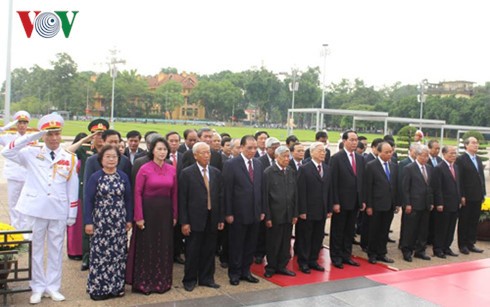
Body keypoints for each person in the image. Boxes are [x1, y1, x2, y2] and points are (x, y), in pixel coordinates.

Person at [2, 114, 79, 304]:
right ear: (43, 136)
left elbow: (72, 187)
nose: (53, 138)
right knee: (36, 250)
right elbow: (7, 152)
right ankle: (36, 287)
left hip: (58, 210)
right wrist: (31, 137)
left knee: (55, 249)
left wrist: (72, 214)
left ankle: (53, 287)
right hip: (35, 209)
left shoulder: (69, 158)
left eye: (57, 134)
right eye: (49, 134)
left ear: (61, 135)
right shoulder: (31, 152)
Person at [84, 145, 133, 300]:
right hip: (101, 221)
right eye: (108, 157)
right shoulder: (96, 177)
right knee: (100, 255)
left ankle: (116, 287)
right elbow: (88, 200)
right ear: (101, 159)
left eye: (114, 157)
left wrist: (128, 219)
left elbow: (128, 199)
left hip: (118, 222)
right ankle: (98, 288)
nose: (111, 160)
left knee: (118, 255)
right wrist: (88, 222)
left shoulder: (123, 176)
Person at [131, 137, 178, 294]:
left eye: (165, 149)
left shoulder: (172, 169)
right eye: (159, 149)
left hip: (165, 212)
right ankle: (145, 282)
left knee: (163, 245)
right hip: (148, 211)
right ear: (152, 150)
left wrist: (174, 214)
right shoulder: (144, 168)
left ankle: (162, 281)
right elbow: (137, 193)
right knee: (147, 246)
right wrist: (139, 216)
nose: (162, 152)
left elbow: (174, 194)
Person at [82, 129, 131, 271]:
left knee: (118, 252)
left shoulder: (125, 162)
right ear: (103, 142)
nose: (114, 145)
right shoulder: (92, 161)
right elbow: (88, 195)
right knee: (100, 251)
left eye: (117, 142)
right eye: (111, 142)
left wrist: (129, 218)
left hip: (118, 218)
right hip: (100, 217)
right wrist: (88, 221)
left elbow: (128, 194)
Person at [179, 142, 224, 291]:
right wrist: (184, 222)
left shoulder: (216, 172)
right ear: (195, 155)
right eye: (203, 153)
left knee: (209, 250)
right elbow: (182, 199)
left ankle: (206, 278)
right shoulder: (187, 173)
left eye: (209, 153)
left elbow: (220, 196)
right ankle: (190, 279)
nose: (207, 156)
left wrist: (220, 219)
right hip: (194, 219)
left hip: (212, 217)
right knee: (192, 250)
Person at [66, 119, 109, 262]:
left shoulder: (110, 152)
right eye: (96, 134)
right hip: (87, 191)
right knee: (87, 223)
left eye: (102, 134)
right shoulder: (85, 150)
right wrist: (86, 139)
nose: (99, 137)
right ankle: (86, 255)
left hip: (105, 194)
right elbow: (67, 151)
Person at [223, 135, 264, 286]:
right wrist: (228, 213)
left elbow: (261, 189)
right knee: (236, 244)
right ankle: (234, 273)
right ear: (241, 148)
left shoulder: (258, 164)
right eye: (249, 148)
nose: (253, 151)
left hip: (255, 212)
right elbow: (227, 191)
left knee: (250, 245)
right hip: (237, 214)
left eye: (255, 148)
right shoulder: (231, 164)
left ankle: (246, 271)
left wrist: (262, 210)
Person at [329, 130, 365, 269]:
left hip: (355, 201)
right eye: (351, 140)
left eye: (356, 140)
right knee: (338, 230)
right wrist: (335, 202)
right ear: (344, 141)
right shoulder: (336, 158)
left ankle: (346, 255)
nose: (354, 142)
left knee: (350, 230)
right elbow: (334, 182)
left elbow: (362, 181)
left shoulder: (360, 159)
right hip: (342, 201)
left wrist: (362, 200)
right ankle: (336, 257)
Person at [296, 142, 332, 273]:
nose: (323, 153)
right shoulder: (304, 169)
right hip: (308, 210)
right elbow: (301, 191)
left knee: (318, 236)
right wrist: (302, 210)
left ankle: (313, 260)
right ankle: (303, 262)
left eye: (324, 151)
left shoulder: (327, 168)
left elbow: (329, 190)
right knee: (306, 237)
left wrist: (329, 208)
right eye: (320, 151)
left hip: (321, 210)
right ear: (312, 153)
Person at [263, 146, 297, 278]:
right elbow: (265, 196)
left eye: (288, 156)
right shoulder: (269, 172)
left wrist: (295, 213)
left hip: (288, 214)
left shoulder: (290, 171)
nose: (287, 159)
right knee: (274, 242)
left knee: (285, 242)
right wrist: (268, 217)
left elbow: (295, 194)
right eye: (284, 156)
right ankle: (271, 267)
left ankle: (282, 266)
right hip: (275, 215)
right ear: (277, 157)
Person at [365, 142, 399, 264]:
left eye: (391, 152)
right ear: (379, 152)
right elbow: (368, 187)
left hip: (389, 204)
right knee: (374, 230)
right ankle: (372, 253)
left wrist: (396, 203)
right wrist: (369, 205)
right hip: (376, 204)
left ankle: (382, 253)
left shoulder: (394, 166)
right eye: (386, 152)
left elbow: (395, 185)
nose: (389, 154)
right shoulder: (371, 166)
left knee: (384, 230)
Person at [400, 145, 433, 262]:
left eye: (427, 156)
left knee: (423, 229)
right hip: (413, 204)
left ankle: (420, 251)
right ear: (417, 155)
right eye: (423, 156)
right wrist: (407, 203)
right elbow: (405, 188)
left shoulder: (429, 168)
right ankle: (407, 251)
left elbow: (430, 187)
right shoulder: (409, 168)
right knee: (410, 229)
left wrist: (431, 202)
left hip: (425, 204)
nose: (425, 158)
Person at [0, 110, 31, 230]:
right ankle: (15, 227)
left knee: (25, 203)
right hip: (13, 175)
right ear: (16, 124)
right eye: (19, 123)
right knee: (13, 203)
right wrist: (4, 128)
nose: (22, 125)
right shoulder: (9, 137)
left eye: (24, 122)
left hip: (27, 175)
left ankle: (24, 228)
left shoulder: (32, 139)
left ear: (27, 124)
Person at [456, 137, 486, 254]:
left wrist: (483, 192)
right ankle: (462, 244)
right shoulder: (461, 160)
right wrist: (462, 195)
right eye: (473, 143)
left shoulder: (478, 159)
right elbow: (460, 179)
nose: (476, 145)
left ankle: (471, 243)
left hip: (477, 195)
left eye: (477, 143)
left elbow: (481, 177)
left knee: (474, 220)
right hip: (467, 196)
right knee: (464, 220)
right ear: (466, 145)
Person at [430, 145, 461, 258]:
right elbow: (437, 188)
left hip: (454, 203)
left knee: (451, 227)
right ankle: (438, 249)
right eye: (451, 153)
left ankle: (446, 247)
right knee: (441, 228)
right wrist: (439, 203)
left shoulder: (456, 167)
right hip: (444, 204)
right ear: (444, 154)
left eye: (454, 153)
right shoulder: (439, 168)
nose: (453, 155)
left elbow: (457, 184)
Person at [255, 137, 280, 264]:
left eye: (278, 147)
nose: (276, 150)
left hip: (277, 202)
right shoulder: (260, 162)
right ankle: (259, 253)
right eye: (274, 148)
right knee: (261, 230)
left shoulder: (281, 161)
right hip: (264, 199)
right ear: (267, 148)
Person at [426, 139, 443, 245]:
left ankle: (432, 238)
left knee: (435, 219)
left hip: (437, 193)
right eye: (435, 148)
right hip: (428, 194)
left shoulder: (440, 160)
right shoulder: (425, 160)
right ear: (429, 148)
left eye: (439, 149)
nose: (437, 151)